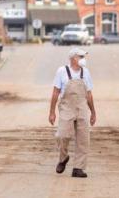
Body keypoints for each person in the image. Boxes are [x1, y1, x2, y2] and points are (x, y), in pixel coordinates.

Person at [48, 47, 96, 178]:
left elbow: (89, 94)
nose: (82, 59)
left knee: (83, 139)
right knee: (62, 135)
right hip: (67, 108)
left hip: (82, 107)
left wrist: (93, 112)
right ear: (72, 58)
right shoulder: (62, 71)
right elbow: (55, 92)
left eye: (83, 57)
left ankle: (78, 168)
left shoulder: (86, 72)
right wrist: (52, 112)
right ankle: (63, 158)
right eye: (80, 57)